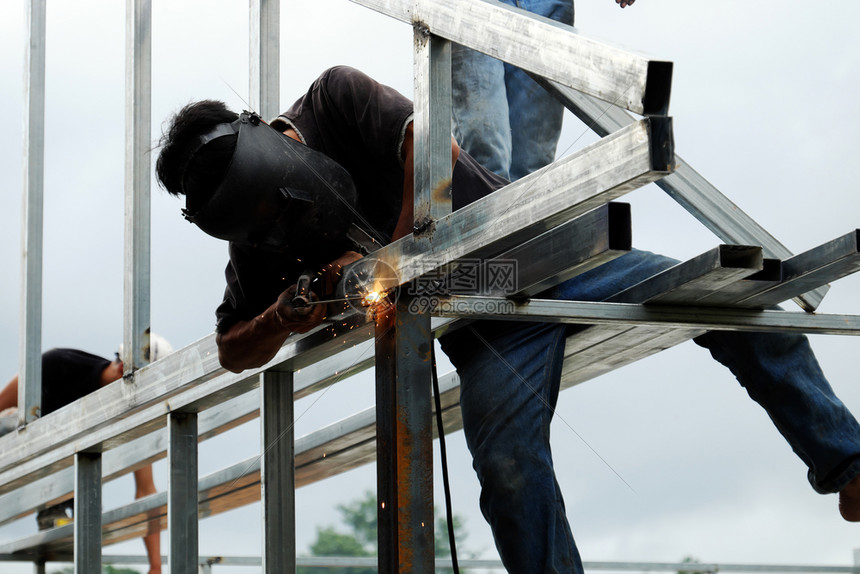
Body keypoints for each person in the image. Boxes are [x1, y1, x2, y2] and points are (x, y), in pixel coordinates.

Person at [155, 66, 860, 574]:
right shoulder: (254, 238)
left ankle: (846, 459)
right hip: (481, 317)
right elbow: (231, 349)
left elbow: (429, 147)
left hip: (536, 255)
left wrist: (394, 267)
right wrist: (286, 311)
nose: (276, 226)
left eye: (277, 207)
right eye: (260, 226)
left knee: (729, 297)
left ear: (271, 137)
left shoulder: (335, 100)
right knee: (507, 467)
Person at [0, 335, 173, 574]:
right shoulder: (59, 364)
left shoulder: (132, 412)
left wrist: (155, 565)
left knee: (90, 492)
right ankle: (53, 505)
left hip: (66, 475)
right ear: (123, 368)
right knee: (10, 422)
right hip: (16, 448)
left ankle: (57, 506)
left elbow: (146, 490)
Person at [451, 0, 634, 183]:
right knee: (487, 156)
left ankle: (516, 209)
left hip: (546, 5)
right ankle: (486, 207)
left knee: (532, 167)